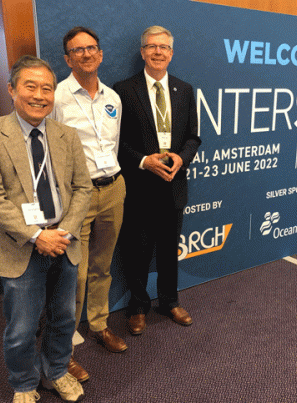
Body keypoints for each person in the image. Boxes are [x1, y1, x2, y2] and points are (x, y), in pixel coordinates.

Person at [0, 55, 92, 403]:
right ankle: (24, 383)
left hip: (64, 242)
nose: (40, 95)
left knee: (64, 319)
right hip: (19, 246)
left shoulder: (66, 135)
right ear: (12, 90)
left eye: (47, 88)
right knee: (21, 328)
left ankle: (55, 372)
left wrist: (64, 232)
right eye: (31, 86)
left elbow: (83, 188)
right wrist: (38, 235)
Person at [113, 26, 201, 335]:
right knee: (137, 252)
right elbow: (116, 141)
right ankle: (137, 308)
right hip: (139, 187)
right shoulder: (123, 90)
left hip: (174, 185)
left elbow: (193, 137)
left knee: (168, 249)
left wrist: (181, 158)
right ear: (142, 52)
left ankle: (169, 301)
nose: (158, 52)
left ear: (171, 53)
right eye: (152, 46)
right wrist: (143, 160)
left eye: (163, 47)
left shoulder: (185, 89)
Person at [52, 26, 127, 383]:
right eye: (78, 50)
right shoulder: (57, 98)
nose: (86, 54)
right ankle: (62, 350)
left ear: (100, 54)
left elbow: (112, 147)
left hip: (113, 188)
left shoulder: (113, 97)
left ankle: (99, 324)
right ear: (68, 59)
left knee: (102, 264)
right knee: (74, 274)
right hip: (76, 196)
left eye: (92, 48)